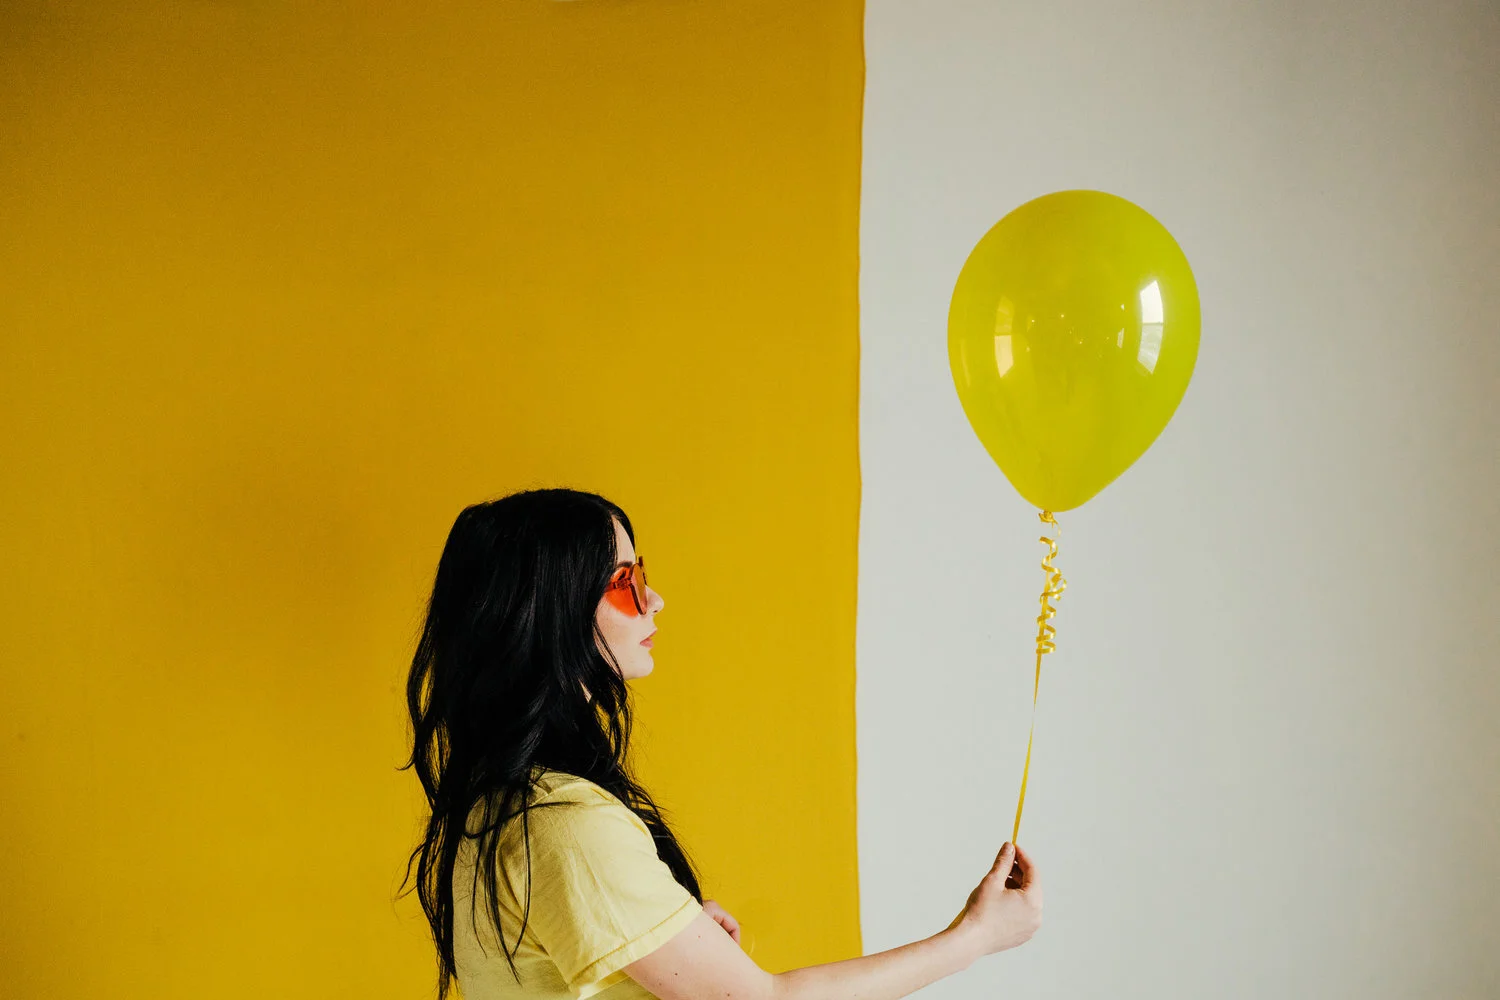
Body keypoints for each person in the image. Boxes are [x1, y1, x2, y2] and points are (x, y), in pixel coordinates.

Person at [399, 488, 1042, 1000]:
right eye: (624, 581)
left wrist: (674, 940)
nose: (654, 598)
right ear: (554, 612)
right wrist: (974, 938)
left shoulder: (506, 806)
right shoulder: (564, 824)